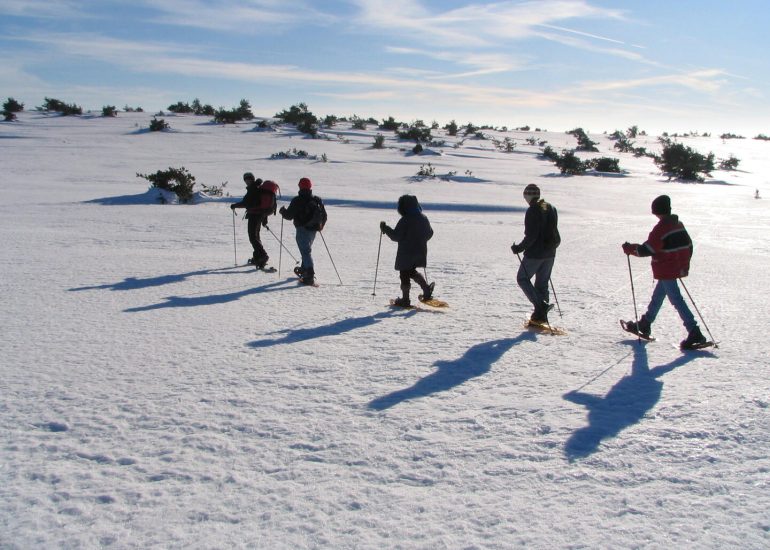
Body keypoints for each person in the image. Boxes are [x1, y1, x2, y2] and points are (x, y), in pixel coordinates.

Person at [622, 194, 707, 350]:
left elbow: (648, 249)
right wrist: (681, 263)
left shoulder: (662, 227)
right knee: (658, 296)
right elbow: (689, 246)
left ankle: (694, 331)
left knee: (676, 300)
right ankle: (645, 323)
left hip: (667, 268)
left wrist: (630, 249)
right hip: (674, 268)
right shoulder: (678, 224)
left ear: (656, 211)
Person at [511, 183, 560, 325]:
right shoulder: (550, 207)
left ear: (527, 196)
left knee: (522, 279)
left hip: (535, 253)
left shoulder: (533, 210)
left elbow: (532, 235)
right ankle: (540, 316)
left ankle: (541, 306)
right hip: (550, 252)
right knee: (542, 284)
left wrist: (519, 248)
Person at [380, 194, 435, 307]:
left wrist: (385, 228)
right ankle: (426, 290)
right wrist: (420, 240)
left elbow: (396, 236)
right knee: (411, 271)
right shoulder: (423, 218)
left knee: (404, 273)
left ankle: (405, 300)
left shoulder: (405, 220)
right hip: (420, 251)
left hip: (406, 253)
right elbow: (430, 233)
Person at [279, 177, 323, 285]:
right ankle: (304, 269)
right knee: (306, 250)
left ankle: (309, 274)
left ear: (300, 186)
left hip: (302, 228)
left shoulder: (298, 200)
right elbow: (323, 215)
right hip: (313, 229)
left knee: (305, 251)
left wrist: (282, 211)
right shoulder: (316, 200)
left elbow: (289, 216)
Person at [230, 172, 270, 268]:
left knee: (253, 237)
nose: (247, 181)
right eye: (246, 179)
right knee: (255, 236)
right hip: (258, 215)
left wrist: (235, 205)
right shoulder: (257, 188)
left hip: (255, 215)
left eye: (249, 179)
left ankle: (263, 255)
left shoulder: (253, 189)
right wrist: (264, 218)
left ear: (252, 179)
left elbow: (246, 203)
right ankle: (257, 257)